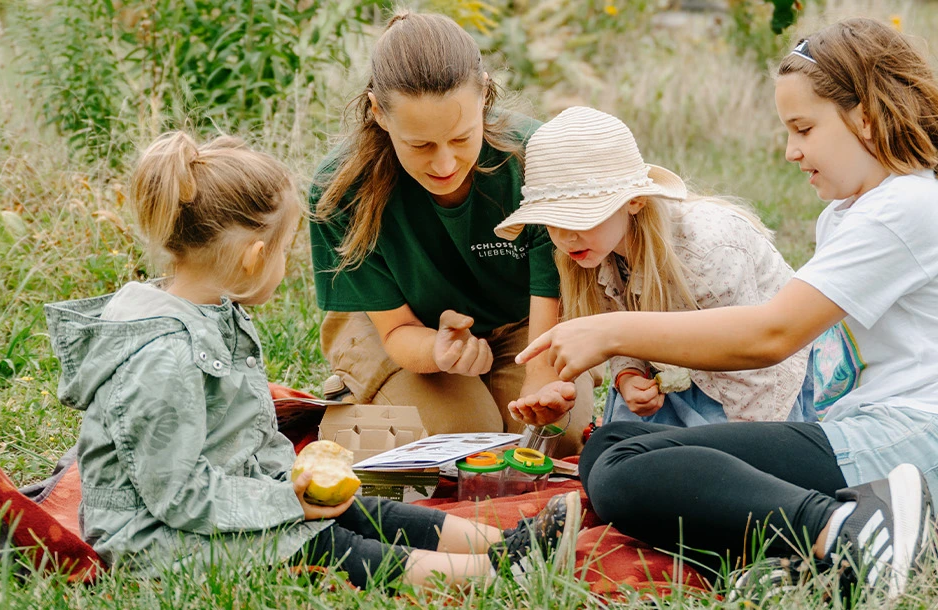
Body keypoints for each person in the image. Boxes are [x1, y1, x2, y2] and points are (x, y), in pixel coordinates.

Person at [506, 18, 938, 604]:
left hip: (923, 446)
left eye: (804, 129)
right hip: (869, 434)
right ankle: (822, 541)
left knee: (623, 467)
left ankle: (852, 530)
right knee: (609, 451)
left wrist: (611, 333)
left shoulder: (906, 208)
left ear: (865, 117)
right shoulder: (852, 213)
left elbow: (773, 335)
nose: (791, 151)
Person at [54, 132, 573, 590]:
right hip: (157, 541)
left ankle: (502, 541)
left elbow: (239, 439)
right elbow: (176, 496)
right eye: (282, 252)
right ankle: (489, 574)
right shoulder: (161, 357)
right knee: (324, 545)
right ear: (254, 257)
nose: (285, 264)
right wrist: (287, 504)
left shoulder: (213, 313)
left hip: (233, 496)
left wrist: (293, 484)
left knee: (357, 506)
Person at [307, 12, 586, 450]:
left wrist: (539, 373)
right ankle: (351, 402)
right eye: (420, 145)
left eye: (461, 138)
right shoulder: (339, 189)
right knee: (463, 439)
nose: (444, 165)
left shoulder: (536, 158)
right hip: (398, 325)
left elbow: (553, 294)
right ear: (379, 113)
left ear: (485, 96)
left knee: (552, 437)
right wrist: (439, 351)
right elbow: (398, 331)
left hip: (524, 321)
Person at [493, 106, 832, 427]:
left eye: (581, 217)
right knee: (611, 453)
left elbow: (755, 361)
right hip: (674, 379)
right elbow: (620, 331)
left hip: (753, 385)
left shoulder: (706, 249)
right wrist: (628, 374)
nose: (566, 236)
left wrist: (745, 445)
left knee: (694, 470)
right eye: (552, 223)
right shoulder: (592, 253)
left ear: (634, 202)